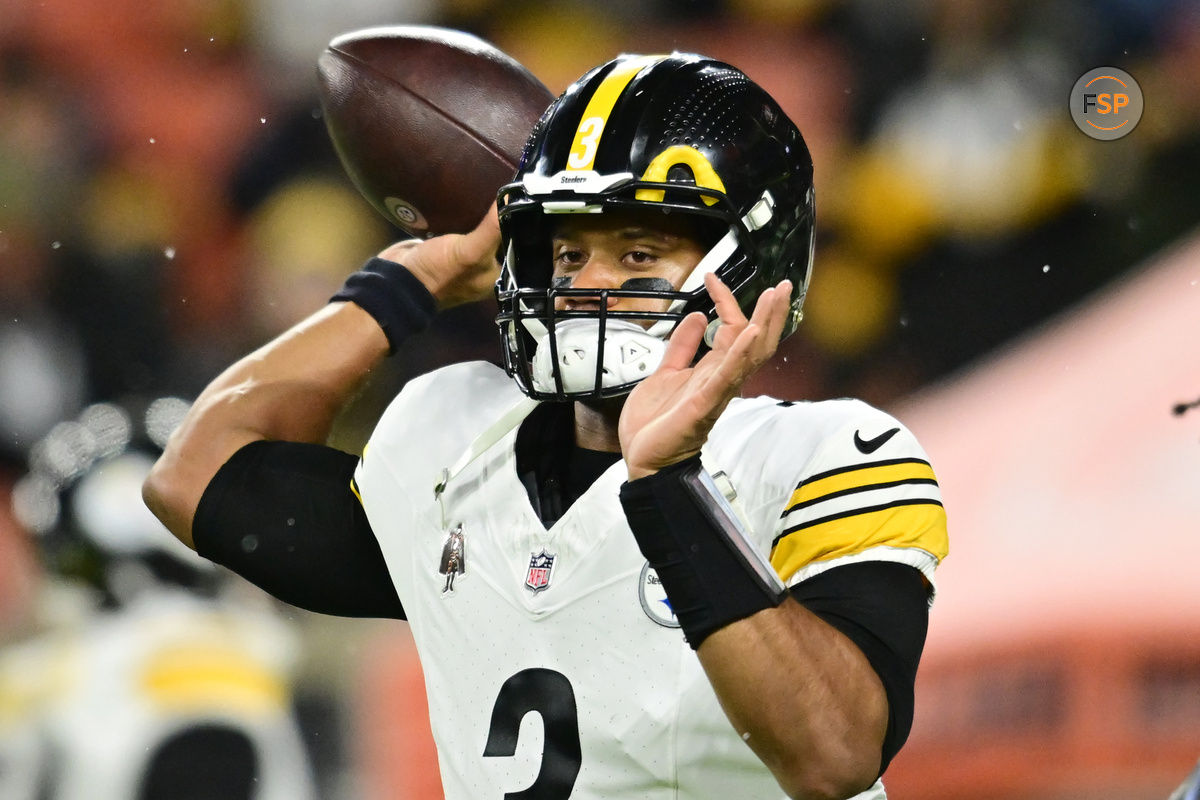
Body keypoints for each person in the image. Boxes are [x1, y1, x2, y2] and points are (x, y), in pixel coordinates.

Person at [144, 51, 949, 800]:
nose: (584, 283)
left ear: (755, 261)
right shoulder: (454, 445)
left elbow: (833, 755)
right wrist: (412, 282)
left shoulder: (820, 455)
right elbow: (194, 474)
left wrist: (669, 487)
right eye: (566, 255)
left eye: (638, 255)